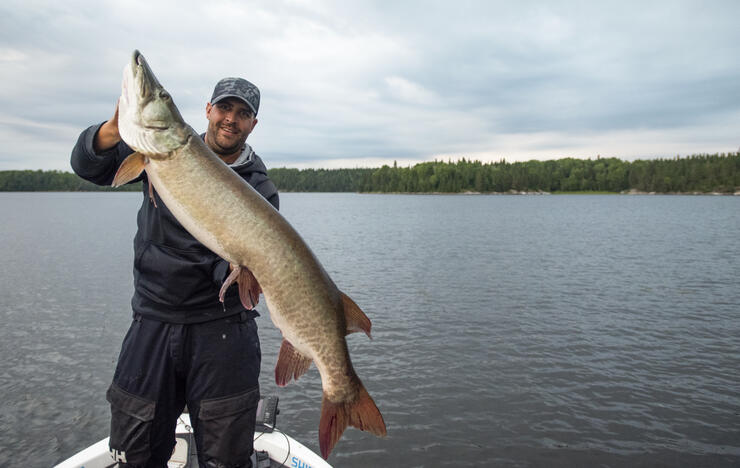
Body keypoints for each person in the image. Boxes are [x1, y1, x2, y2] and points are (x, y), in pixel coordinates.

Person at [71, 77, 278, 468]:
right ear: (208, 111)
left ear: (253, 124)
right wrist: (112, 130)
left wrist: (229, 269)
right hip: (154, 322)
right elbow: (88, 167)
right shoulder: (160, 148)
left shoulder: (260, 188)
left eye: (242, 113)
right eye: (224, 109)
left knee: (228, 458)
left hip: (222, 331)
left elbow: (241, 270)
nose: (230, 119)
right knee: (136, 454)